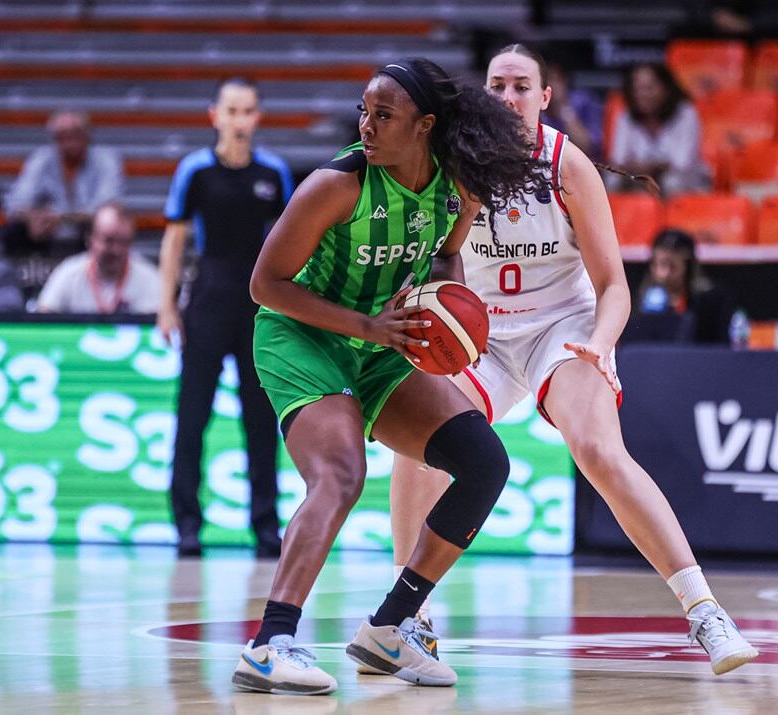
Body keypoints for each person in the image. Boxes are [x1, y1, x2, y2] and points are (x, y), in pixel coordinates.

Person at [388, 45, 758, 679]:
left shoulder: (567, 164)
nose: (509, 97)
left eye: (522, 87)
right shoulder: (450, 161)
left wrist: (602, 342)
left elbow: (615, 284)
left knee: (596, 449)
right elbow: (429, 260)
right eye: (497, 85)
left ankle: (705, 611)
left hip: (564, 325)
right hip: (479, 332)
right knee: (415, 444)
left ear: (544, 97)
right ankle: (407, 621)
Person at [230, 57, 551, 695]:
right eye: (364, 113)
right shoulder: (338, 183)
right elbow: (264, 286)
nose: (366, 127)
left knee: (484, 463)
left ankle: (390, 626)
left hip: (384, 338)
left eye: (383, 116)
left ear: (425, 126)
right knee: (342, 474)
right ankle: (270, 643)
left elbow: (447, 257)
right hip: (302, 334)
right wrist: (368, 326)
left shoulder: (458, 187)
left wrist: (447, 311)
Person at [158, 77, 293, 559]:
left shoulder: (274, 172)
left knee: (261, 419)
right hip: (208, 300)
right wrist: (166, 305)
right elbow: (174, 240)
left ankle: (265, 526)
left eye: (249, 111)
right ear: (214, 114)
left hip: (258, 307)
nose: (240, 120)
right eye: (232, 110)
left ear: (258, 117)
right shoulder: (194, 171)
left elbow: (290, 240)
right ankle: (187, 526)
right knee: (192, 415)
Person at [2, 109, 124, 258]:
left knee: (105, 227)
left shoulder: (106, 160)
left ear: (87, 136)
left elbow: (108, 206)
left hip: (85, 232)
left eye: (74, 135)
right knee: (14, 231)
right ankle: (27, 277)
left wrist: (62, 218)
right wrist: (34, 217)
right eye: (62, 137)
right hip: (47, 233)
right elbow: (15, 203)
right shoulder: (41, 159)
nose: (69, 143)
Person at [607, 62, 711, 197]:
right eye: (637, 89)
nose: (642, 95)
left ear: (666, 88)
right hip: (639, 180)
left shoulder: (686, 113)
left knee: (672, 182)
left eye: (649, 88)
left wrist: (653, 166)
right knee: (613, 180)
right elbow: (618, 159)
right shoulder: (626, 116)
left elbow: (683, 162)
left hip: (685, 182)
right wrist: (636, 168)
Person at [36, 202, 159, 314]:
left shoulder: (150, 278)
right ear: (90, 239)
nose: (116, 250)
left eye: (123, 242)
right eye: (109, 241)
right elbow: (42, 319)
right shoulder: (68, 272)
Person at [622, 228, 735, 345]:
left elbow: (719, 347)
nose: (662, 274)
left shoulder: (712, 302)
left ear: (688, 267)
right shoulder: (638, 299)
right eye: (656, 265)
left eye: (672, 266)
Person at [539, 63, 604, 160]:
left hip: (584, 166)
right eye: (545, 82)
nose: (550, 86)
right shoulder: (536, 106)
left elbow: (589, 147)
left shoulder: (584, 101)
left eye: (553, 79)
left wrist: (563, 109)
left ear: (564, 80)